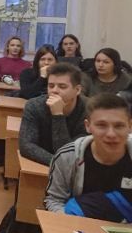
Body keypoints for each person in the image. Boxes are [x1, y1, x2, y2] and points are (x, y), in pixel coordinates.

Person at [44, 93, 132, 221]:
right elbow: (54, 200)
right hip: (77, 224)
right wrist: (68, 223)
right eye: (101, 125)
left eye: (119, 126)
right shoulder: (67, 156)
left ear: (130, 126)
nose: (111, 134)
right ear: (88, 126)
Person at [19, 63, 88, 165]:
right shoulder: (34, 105)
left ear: (77, 90)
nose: (54, 91)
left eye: (62, 87)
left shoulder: (89, 111)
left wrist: (58, 115)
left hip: (76, 168)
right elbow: (26, 146)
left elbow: (67, 154)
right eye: (51, 86)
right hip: (42, 164)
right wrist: (57, 163)